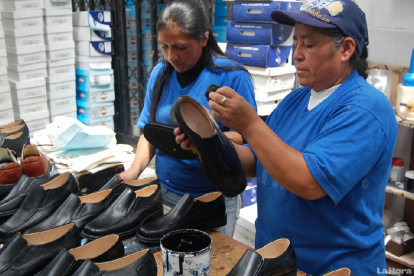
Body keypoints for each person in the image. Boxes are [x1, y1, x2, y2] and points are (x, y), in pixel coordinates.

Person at [176, 0, 398, 274]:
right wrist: (208, 141)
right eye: (296, 42)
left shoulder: (366, 109)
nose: (297, 54)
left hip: (332, 267)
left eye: (309, 44)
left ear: (347, 49)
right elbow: (257, 161)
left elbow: (309, 182)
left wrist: (249, 123)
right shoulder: (296, 99)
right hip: (275, 261)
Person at [120, 0, 257, 238]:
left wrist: (206, 138)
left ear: (204, 39)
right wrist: (134, 171)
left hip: (214, 198)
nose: (172, 56)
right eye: (165, 47)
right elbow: (148, 134)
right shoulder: (160, 74)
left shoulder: (231, 77)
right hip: (167, 193)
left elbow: (246, 138)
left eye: (181, 47)